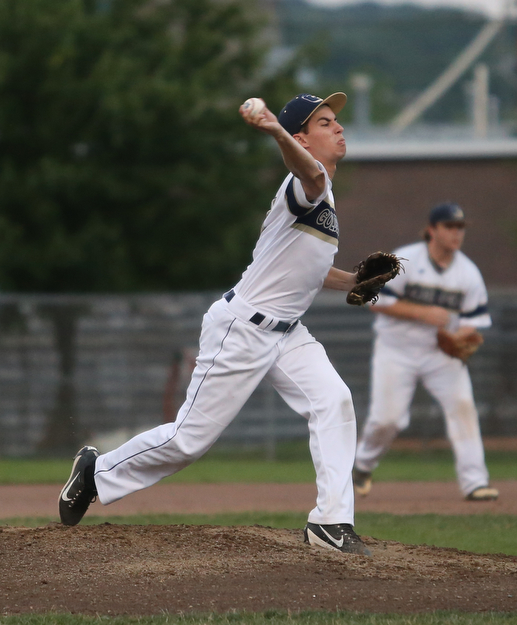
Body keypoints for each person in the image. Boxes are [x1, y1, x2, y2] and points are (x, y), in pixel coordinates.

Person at [59, 92, 372, 555]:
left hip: (288, 334)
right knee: (189, 442)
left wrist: (354, 281)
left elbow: (305, 268)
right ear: (301, 138)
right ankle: (96, 472)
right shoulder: (305, 183)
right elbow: (306, 169)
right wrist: (272, 131)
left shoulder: (321, 199)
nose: (338, 127)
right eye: (324, 123)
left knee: (334, 400)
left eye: (335, 121)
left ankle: (331, 522)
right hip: (242, 329)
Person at [353, 202, 498, 502]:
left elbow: (475, 321)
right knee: (387, 420)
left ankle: (475, 482)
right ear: (432, 230)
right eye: (449, 226)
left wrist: (460, 336)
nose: (456, 233)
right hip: (396, 350)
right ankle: (362, 466)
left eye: (460, 228)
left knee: (463, 407)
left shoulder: (468, 273)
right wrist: (422, 313)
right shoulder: (407, 259)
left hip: (440, 353)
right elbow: (375, 300)